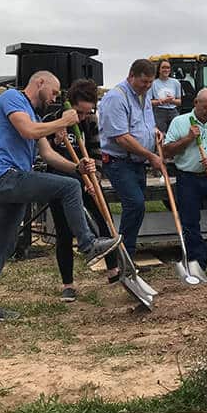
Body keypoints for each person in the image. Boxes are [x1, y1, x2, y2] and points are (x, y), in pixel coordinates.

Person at [0, 71, 122, 322]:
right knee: (70, 188)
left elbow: (49, 155)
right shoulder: (12, 98)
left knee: (3, 246)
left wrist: (77, 168)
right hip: (4, 177)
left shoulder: (35, 115)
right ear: (40, 82)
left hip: (12, 186)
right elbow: (28, 131)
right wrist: (62, 122)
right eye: (53, 91)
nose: (54, 98)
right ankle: (88, 245)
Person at [46, 79, 119, 302]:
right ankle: (68, 284)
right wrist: (56, 136)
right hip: (60, 183)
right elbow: (43, 158)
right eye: (79, 112)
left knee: (105, 223)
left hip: (88, 182)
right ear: (69, 105)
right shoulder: (51, 122)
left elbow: (96, 152)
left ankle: (114, 271)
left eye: (87, 113)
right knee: (64, 233)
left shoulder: (90, 122)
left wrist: (94, 177)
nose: (82, 118)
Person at [163, 88, 207, 273]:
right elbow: (167, 151)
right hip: (188, 178)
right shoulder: (179, 122)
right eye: (206, 108)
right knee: (190, 222)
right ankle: (197, 262)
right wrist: (188, 139)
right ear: (196, 103)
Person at [97, 59, 165, 258]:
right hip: (119, 161)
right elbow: (122, 138)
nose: (147, 86)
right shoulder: (116, 98)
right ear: (131, 76)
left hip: (137, 162)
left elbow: (143, 124)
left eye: (150, 82)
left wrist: (155, 133)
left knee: (138, 207)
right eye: (144, 82)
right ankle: (123, 254)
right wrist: (150, 155)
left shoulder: (144, 95)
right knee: (135, 204)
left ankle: (127, 252)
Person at [150, 59, 182, 135]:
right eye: (163, 67)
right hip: (159, 112)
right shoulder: (153, 83)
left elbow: (179, 102)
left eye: (168, 68)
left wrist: (171, 100)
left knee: (176, 134)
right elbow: (150, 102)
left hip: (173, 111)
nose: (166, 70)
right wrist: (162, 101)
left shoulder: (176, 83)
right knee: (160, 134)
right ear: (159, 70)